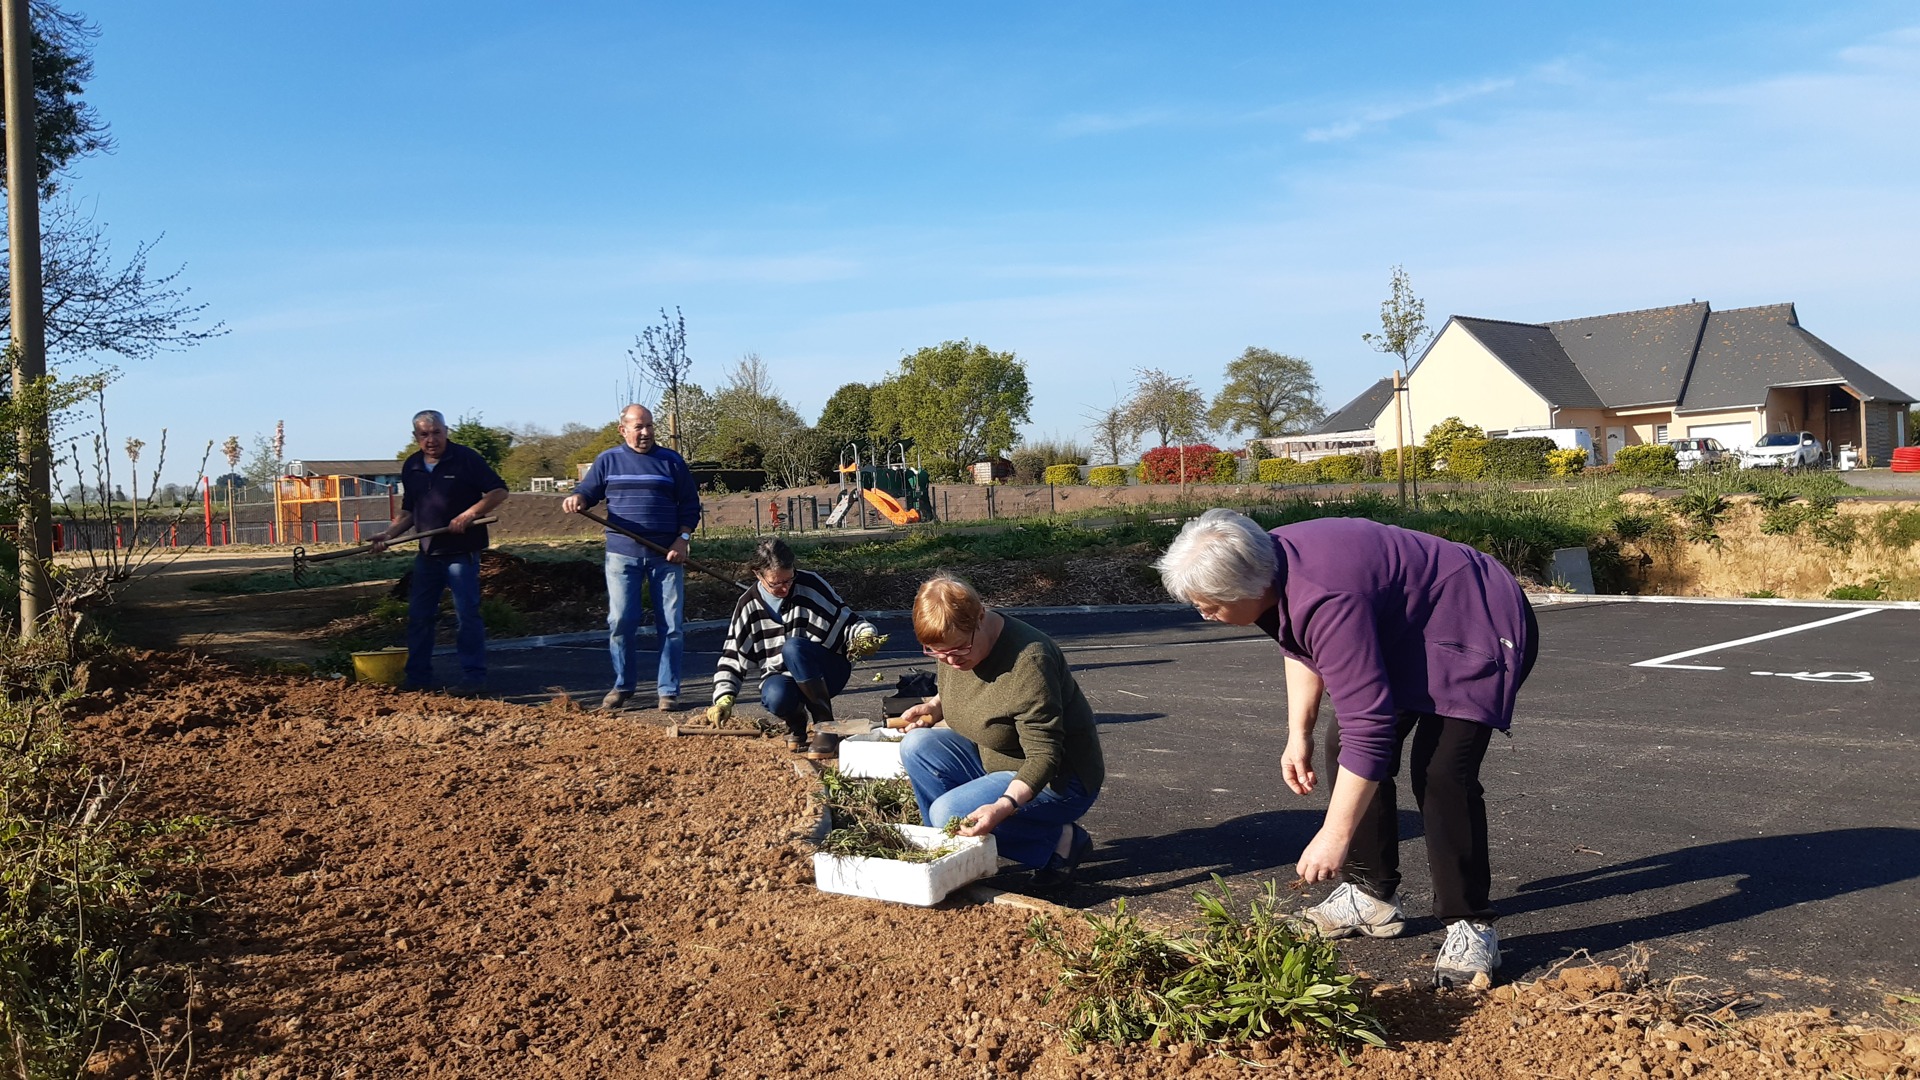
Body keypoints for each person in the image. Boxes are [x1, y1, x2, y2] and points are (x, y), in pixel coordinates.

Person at [1155, 509, 1538, 987]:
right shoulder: (1262, 562)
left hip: (1475, 618)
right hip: (1407, 625)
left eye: (1209, 605)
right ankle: (1371, 896)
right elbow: (1299, 643)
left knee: (1441, 772)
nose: (1204, 613)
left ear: (1249, 588)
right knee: (1343, 748)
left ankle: (1470, 923)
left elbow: (1370, 727)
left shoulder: (1323, 593)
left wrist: (1334, 835)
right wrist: (1300, 733)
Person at [896, 574, 1104, 884]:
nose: (949, 661)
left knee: (948, 814)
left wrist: (1002, 806)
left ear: (980, 617)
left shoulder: (1029, 661)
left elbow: (1045, 757)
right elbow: (966, 685)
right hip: (994, 755)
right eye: (935, 652)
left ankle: (1060, 842)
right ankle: (952, 853)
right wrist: (936, 706)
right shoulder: (953, 640)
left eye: (957, 651)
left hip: (1058, 778)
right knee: (917, 746)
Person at [562, 404, 702, 712]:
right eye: (638, 427)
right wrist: (578, 498)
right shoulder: (608, 460)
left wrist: (683, 539)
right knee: (621, 621)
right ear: (622, 429)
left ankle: (668, 690)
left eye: (649, 426)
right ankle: (623, 685)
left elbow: (691, 504)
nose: (646, 432)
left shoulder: (671, 461)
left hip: (667, 556)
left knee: (672, 625)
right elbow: (588, 491)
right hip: (622, 556)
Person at [369, 409, 509, 693]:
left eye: (436, 433)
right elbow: (409, 511)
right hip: (429, 554)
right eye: (424, 434)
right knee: (419, 615)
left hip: (462, 552)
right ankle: (418, 678)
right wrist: (388, 534)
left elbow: (499, 491)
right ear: (415, 436)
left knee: (466, 614)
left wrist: (468, 515)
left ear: (446, 432)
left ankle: (474, 677)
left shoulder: (466, 458)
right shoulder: (412, 466)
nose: (431, 439)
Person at [704, 538, 886, 755]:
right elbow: (733, 656)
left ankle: (825, 725)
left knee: (793, 648)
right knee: (774, 695)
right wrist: (724, 698)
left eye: (789, 580)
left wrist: (866, 636)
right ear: (758, 574)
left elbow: (848, 621)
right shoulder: (748, 605)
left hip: (826, 670)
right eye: (776, 583)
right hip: (785, 678)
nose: (784, 588)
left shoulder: (810, 584)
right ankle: (796, 722)